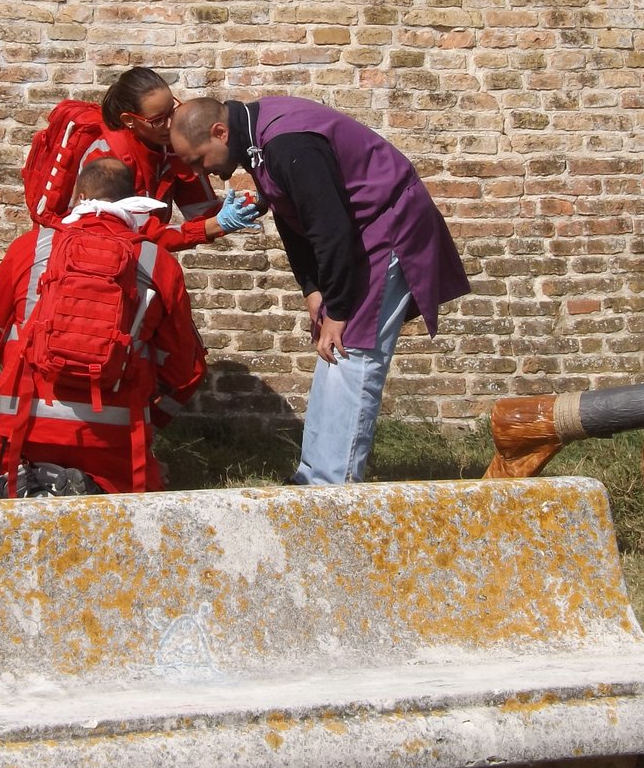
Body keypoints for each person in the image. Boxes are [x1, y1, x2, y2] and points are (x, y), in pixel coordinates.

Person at [170, 96, 470, 485]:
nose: (200, 173)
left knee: (352, 351)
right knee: (331, 353)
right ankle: (312, 476)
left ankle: (332, 487)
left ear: (219, 132)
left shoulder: (287, 142)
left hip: (385, 228)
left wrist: (340, 310)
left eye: (197, 159)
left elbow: (329, 229)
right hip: (355, 235)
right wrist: (313, 289)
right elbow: (294, 214)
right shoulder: (256, 136)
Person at [0, 158, 207, 496]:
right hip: (115, 440)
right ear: (130, 200)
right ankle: (91, 486)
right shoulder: (158, 262)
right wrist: (150, 413)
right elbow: (185, 369)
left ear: (79, 195)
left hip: (25, 429)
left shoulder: (30, 248)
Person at [24, 66, 262, 246]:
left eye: (173, 110)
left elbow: (203, 211)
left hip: (138, 257)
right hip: (89, 258)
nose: (170, 124)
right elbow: (133, 234)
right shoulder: (105, 159)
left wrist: (258, 202)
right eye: (158, 120)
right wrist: (213, 226)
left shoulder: (171, 146)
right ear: (129, 120)